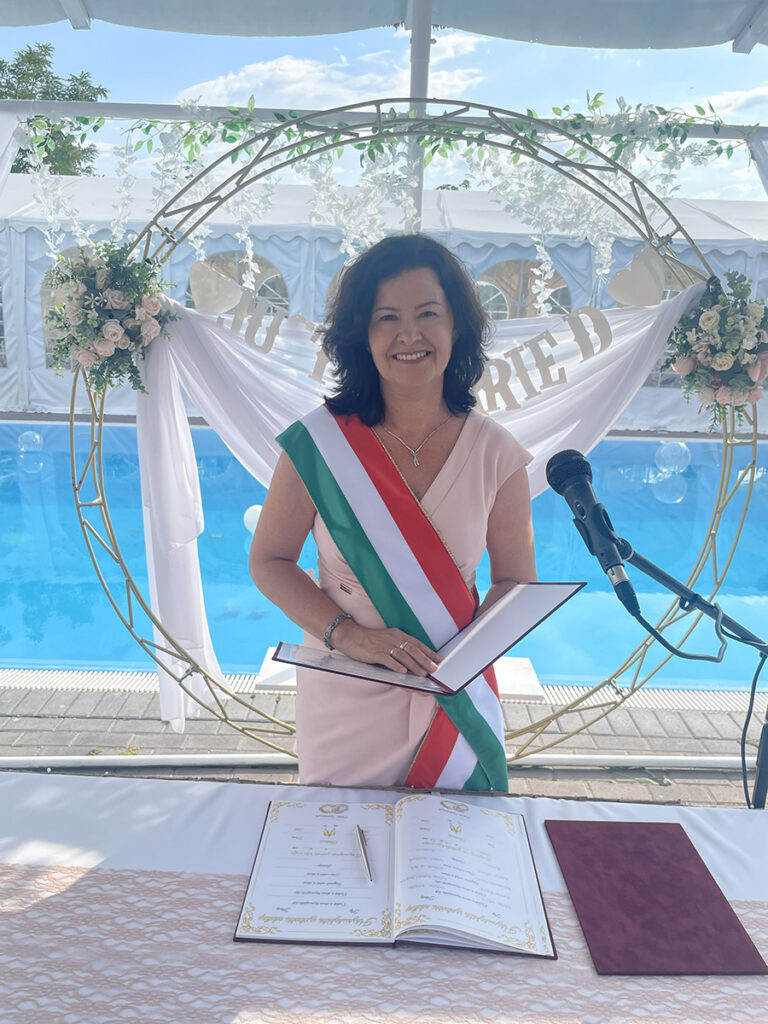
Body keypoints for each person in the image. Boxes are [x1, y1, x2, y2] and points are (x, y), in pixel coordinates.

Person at [249, 234, 535, 791]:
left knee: (455, 838)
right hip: (346, 688)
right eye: (387, 318)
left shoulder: (496, 453)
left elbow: (516, 583)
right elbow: (270, 562)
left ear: (457, 326)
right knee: (337, 837)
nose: (410, 335)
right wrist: (347, 635)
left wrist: (463, 662)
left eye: (428, 314)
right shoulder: (319, 444)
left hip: (451, 696)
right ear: (362, 333)